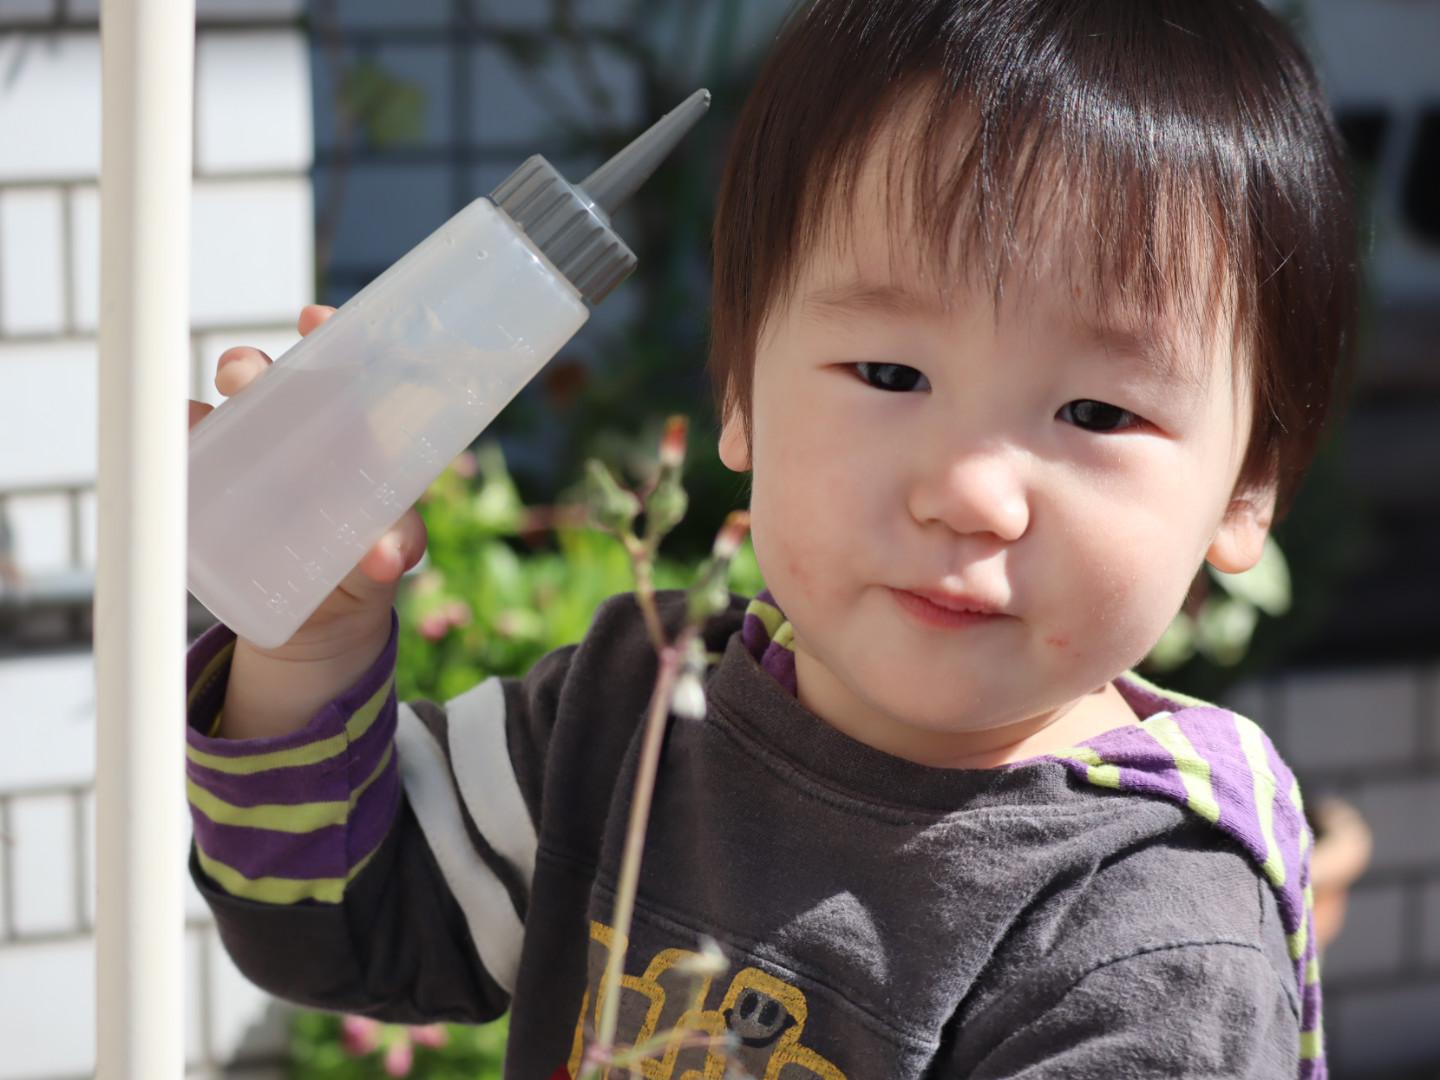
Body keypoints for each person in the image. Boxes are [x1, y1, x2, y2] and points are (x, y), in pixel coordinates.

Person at [183, 0, 1358, 1076]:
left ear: (1247, 488)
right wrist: (310, 641)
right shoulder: (636, 712)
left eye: (1096, 413)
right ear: (741, 391)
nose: (970, 495)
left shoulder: (1150, 938)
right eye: (891, 373)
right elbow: (337, 927)